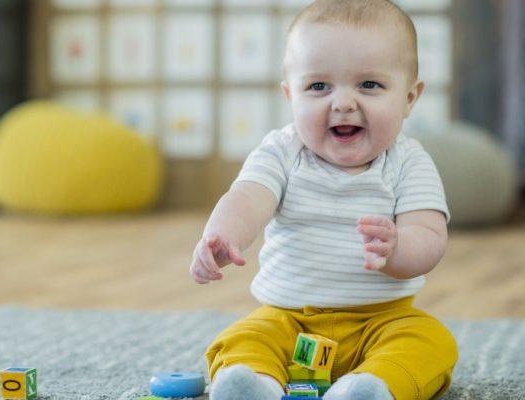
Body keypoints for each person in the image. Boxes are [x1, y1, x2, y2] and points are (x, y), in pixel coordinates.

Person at [189, 1, 459, 399]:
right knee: (242, 337)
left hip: (382, 321)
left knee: (432, 341)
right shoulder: (282, 152)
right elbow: (247, 197)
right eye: (318, 86)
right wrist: (222, 236)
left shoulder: (409, 162)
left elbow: (430, 236)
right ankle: (254, 384)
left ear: (409, 98)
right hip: (287, 319)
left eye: (369, 85)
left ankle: (370, 388)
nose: (343, 102)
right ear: (290, 95)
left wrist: (399, 247)